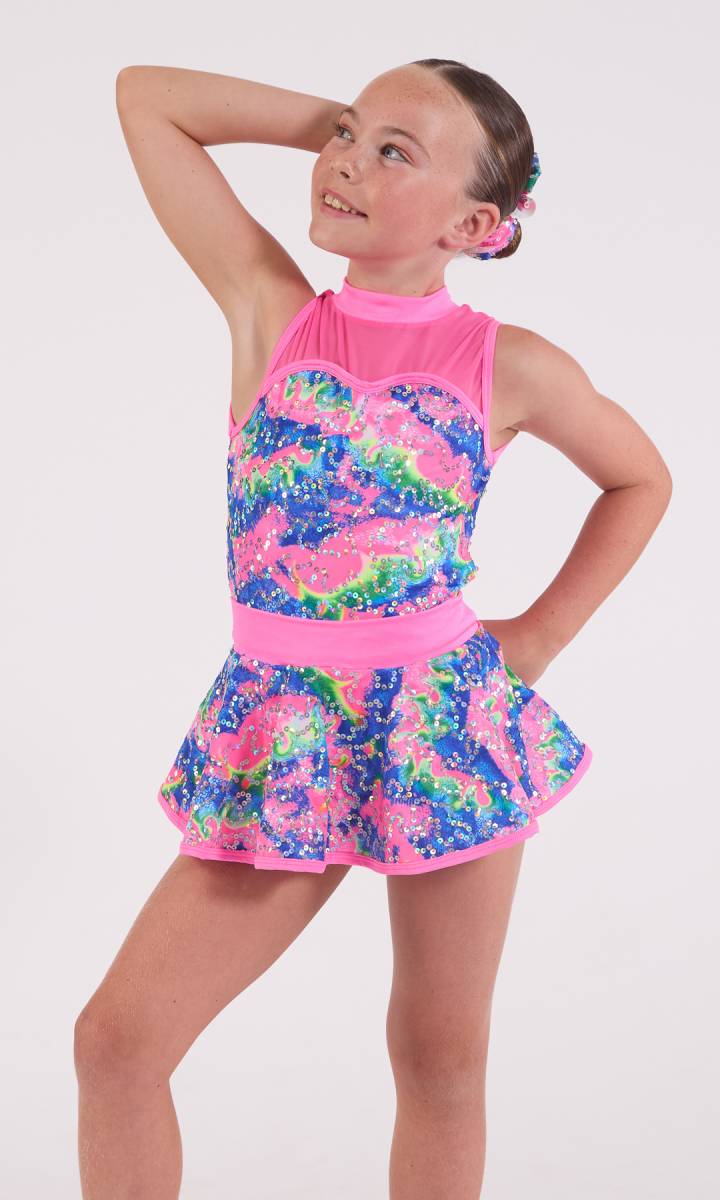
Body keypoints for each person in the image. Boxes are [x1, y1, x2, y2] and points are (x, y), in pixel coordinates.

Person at [74, 59, 672, 1198]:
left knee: (439, 1060)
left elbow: (642, 480)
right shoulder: (271, 310)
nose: (345, 162)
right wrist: (341, 130)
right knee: (117, 1044)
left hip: (445, 728)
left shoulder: (512, 364)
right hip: (282, 728)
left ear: (476, 226)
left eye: (394, 152)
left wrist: (539, 637)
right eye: (348, 135)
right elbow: (148, 97)